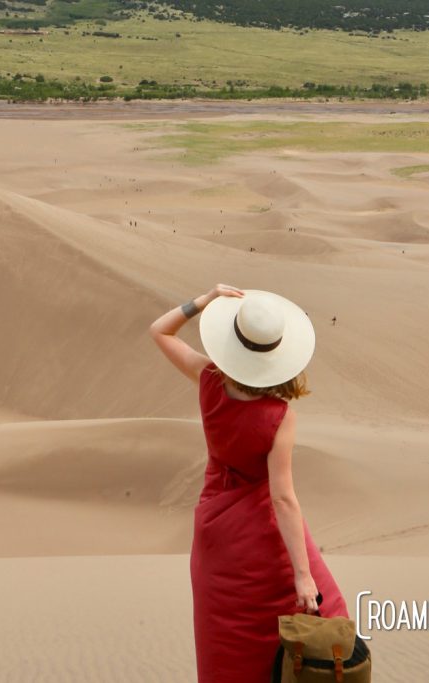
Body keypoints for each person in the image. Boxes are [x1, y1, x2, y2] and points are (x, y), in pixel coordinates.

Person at [149, 284, 349, 682]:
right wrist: (301, 574)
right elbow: (283, 498)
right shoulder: (278, 416)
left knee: (227, 641)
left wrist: (203, 301)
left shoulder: (207, 378)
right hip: (263, 532)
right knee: (330, 622)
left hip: (216, 534)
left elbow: (159, 330)